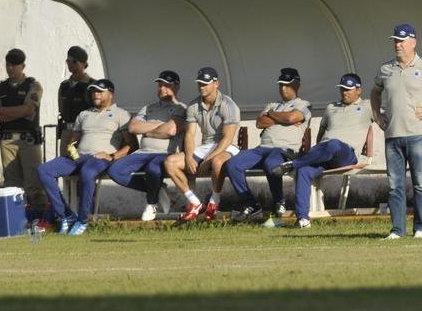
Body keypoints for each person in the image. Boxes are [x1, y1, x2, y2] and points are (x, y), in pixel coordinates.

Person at [371, 23, 422, 240]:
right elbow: (375, 92)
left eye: (402, 40)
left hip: (417, 135)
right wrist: (377, 115)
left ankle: (421, 228)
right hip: (392, 136)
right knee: (394, 185)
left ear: (413, 42)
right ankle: (397, 230)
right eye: (395, 41)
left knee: (420, 183)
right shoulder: (385, 69)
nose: (398, 44)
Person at [275, 72, 377, 229]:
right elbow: (321, 135)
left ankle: (292, 164)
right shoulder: (331, 107)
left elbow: (385, 120)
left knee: (333, 144)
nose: (344, 92)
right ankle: (302, 219)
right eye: (342, 89)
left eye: (348, 89)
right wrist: (319, 152)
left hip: (346, 154)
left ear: (359, 90)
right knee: (304, 171)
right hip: (326, 153)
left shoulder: (368, 106)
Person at [37, 79, 131, 235]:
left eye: (100, 91)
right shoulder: (84, 114)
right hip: (78, 157)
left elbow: (131, 145)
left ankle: (82, 220)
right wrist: (71, 148)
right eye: (94, 91)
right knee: (44, 170)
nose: (96, 94)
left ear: (110, 94)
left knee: (87, 172)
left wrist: (112, 156)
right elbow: (74, 140)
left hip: (100, 158)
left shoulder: (121, 114)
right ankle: (66, 215)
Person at [226, 67, 310, 223]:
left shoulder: (304, 104)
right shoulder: (272, 104)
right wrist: (282, 118)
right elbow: (260, 122)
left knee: (271, 164)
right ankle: (250, 203)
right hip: (262, 149)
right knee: (232, 163)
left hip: (284, 150)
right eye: (280, 85)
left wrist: (273, 115)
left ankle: (279, 201)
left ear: (297, 85)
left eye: (287, 85)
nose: (283, 88)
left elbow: (293, 117)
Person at [163, 66, 241, 222]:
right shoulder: (193, 105)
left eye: (205, 83)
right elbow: (190, 134)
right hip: (206, 146)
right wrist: (189, 157)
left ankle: (214, 201)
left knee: (218, 162)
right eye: (199, 83)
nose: (201, 87)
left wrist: (209, 159)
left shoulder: (229, 105)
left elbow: (227, 138)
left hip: (227, 146)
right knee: (170, 162)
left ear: (216, 83)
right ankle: (195, 202)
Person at [106, 70, 187, 221]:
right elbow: (133, 127)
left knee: (153, 168)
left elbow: (171, 130)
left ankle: (151, 203)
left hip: (166, 153)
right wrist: (159, 127)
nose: (162, 89)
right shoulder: (148, 108)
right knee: (115, 170)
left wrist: (149, 129)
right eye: (160, 85)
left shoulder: (181, 108)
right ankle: (156, 188)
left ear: (176, 87)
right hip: (143, 152)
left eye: (166, 85)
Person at [0, 48, 47, 216]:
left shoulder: (33, 85)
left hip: (28, 139)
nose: (11, 68)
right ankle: (15, 218)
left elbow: (29, 110)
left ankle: (38, 218)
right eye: (8, 65)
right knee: (11, 183)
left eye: (15, 65)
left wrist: (3, 110)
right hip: (7, 140)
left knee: (33, 183)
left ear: (23, 66)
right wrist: (17, 113)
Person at [56, 45, 92, 156]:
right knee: (64, 163)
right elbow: (62, 109)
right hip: (67, 131)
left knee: (78, 161)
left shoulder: (91, 85)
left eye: (74, 61)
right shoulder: (64, 86)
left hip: (83, 132)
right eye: (68, 61)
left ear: (83, 63)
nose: (70, 63)